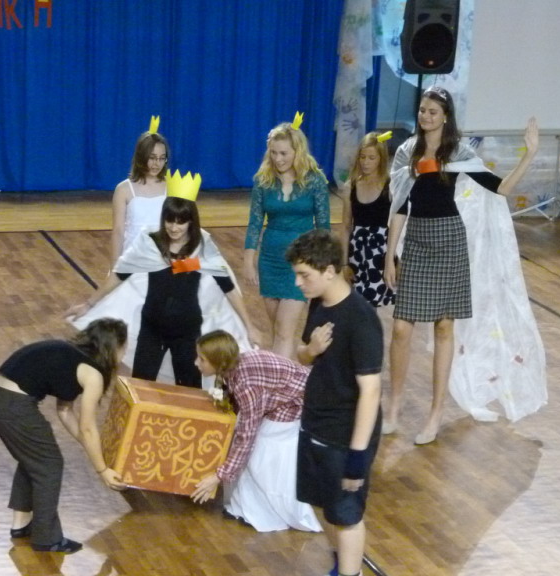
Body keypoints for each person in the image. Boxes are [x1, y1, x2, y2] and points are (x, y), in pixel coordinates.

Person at [383, 86, 544, 443]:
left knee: (444, 328)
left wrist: (529, 154)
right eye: (422, 110)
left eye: (433, 112)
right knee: (401, 329)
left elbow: (500, 188)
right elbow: (399, 206)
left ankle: (435, 414)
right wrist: (390, 255)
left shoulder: (459, 152)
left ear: (445, 117)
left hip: (450, 240)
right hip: (417, 242)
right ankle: (393, 406)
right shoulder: (407, 152)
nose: (426, 116)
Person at [68, 175, 258, 387]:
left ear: (191, 221)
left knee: (190, 390)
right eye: (170, 220)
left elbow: (228, 287)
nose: (174, 227)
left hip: (187, 331)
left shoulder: (202, 246)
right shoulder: (149, 243)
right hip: (152, 329)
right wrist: (89, 304)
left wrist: (249, 326)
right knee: (140, 386)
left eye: (181, 221)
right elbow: (119, 275)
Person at [287, 229, 382, 576]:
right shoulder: (318, 303)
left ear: (329, 271)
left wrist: (358, 456)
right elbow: (302, 356)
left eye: (304, 275)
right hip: (316, 421)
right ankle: (344, 565)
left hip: (345, 433)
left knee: (346, 513)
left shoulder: (361, 319)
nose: (298, 283)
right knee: (319, 502)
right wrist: (311, 350)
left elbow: (371, 390)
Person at [0, 318, 129, 554]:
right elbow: (88, 427)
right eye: (124, 347)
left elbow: (65, 410)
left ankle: (22, 524)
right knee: (49, 465)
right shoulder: (93, 375)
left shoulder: (72, 357)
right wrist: (102, 470)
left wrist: (90, 446)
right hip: (13, 404)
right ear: (114, 347)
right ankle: (46, 539)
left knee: (35, 459)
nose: (125, 352)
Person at [189, 330, 321, 533]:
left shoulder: (247, 384)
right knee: (252, 448)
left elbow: (247, 435)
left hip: (297, 402)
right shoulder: (234, 369)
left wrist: (219, 475)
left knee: (261, 450)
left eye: (202, 359)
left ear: (218, 361)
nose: (196, 363)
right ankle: (245, 507)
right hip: (283, 397)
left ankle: (267, 511)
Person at [243, 115, 331, 359]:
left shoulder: (315, 181)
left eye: (284, 153)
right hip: (270, 260)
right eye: (273, 153)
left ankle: (278, 381)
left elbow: (323, 226)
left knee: (284, 331)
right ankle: (291, 377)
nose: (278, 159)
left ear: (297, 152)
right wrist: (248, 261)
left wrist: (323, 263)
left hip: (301, 263)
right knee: (279, 332)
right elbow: (254, 224)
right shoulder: (263, 181)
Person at [68, 117, 168, 315]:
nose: (156, 163)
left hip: (161, 264)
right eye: (152, 157)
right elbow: (118, 231)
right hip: (132, 262)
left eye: (161, 158)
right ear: (141, 157)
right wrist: (115, 268)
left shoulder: (171, 187)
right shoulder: (124, 189)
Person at [341, 131, 394, 307]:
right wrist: (344, 263)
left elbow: (398, 226)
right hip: (357, 253)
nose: (366, 162)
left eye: (371, 158)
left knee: (372, 304)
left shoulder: (390, 186)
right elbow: (346, 226)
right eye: (362, 157)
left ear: (381, 159)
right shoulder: (351, 186)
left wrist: (395, 260)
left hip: (381, 252)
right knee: (355, 304)